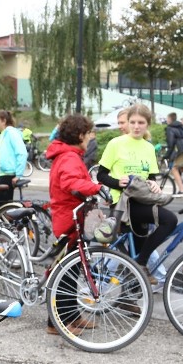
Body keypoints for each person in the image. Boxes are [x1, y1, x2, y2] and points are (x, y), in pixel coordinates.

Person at [97, 103, 177, 287]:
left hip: (142, 201)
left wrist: (154, 184)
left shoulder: (148, 147)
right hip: (122, 204)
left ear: (147, 124)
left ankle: (127, 299)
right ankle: (142, 264)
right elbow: (101, 175)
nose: (136, 126)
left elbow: (150, 176)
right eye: (132, 122)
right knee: (169, 220)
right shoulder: (115, 144)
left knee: (132, 255)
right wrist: (118, 183)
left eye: (141, 122)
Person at [45, 113, 105, 335]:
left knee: (72, 272)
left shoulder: (70, 155)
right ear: (80, 135)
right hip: (68, 219)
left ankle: (72, 316)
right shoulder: (69, 157)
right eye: (89, 133)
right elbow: (70, 183)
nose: (91, 137)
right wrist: (96, 188)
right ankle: (56, 323)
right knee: (66, 276)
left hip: (72, 217)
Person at [0, 109, 28, 204]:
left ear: (4, 121)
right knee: (1, 208)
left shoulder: (11, 133)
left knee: (1, 208)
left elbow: (22, 153)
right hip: (2, 174)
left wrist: (18, 175)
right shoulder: (3, 134)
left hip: (7, 175)